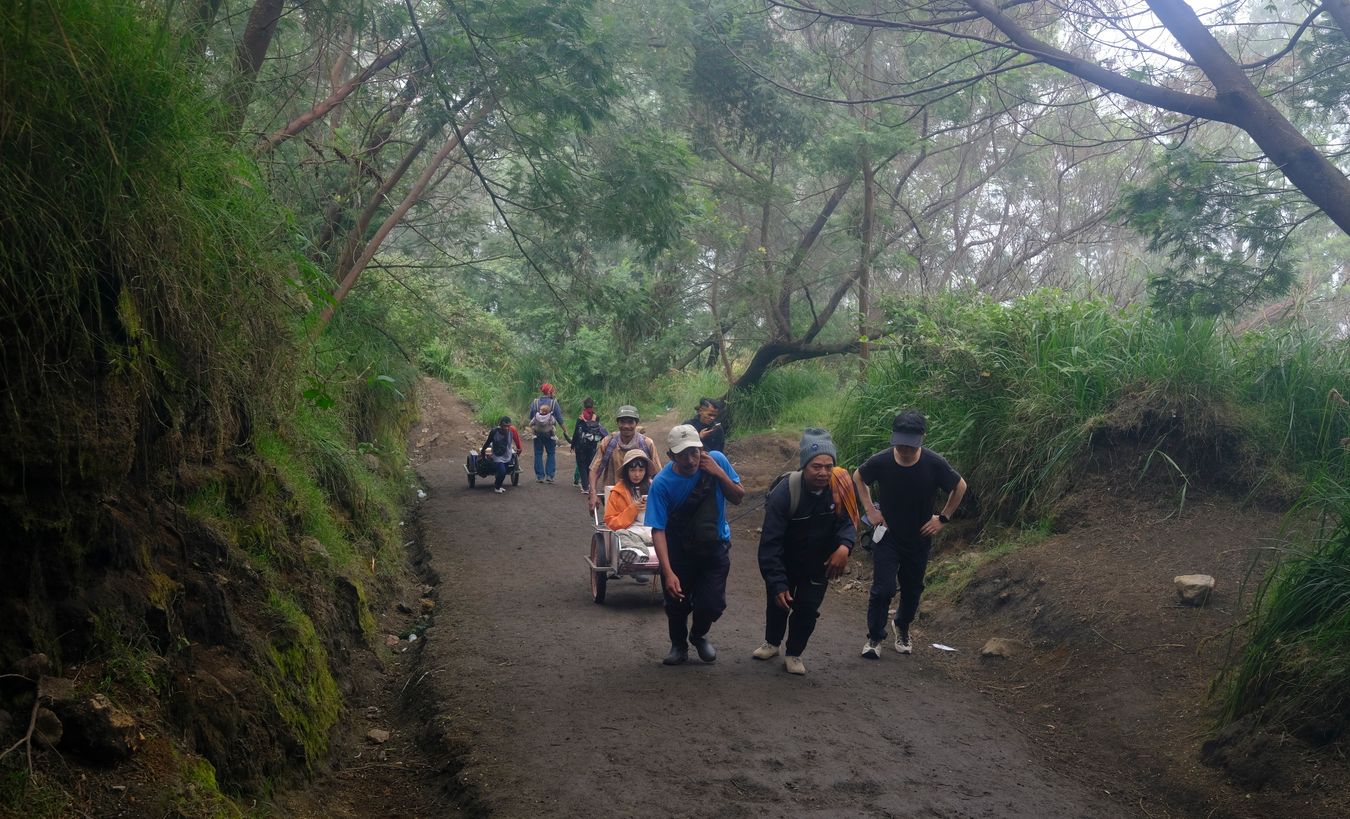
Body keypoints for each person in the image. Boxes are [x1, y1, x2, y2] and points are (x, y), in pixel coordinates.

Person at [853, 410, 967, 659]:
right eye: (901, 444)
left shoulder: (934, 463)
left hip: (918, 537)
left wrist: (943, 518)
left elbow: (959, 486)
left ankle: (902, 626)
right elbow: (859, 477)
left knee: (913, 588)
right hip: (887, 535)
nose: (904, 449)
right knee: (883, 589)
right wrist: (870, 510)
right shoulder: (881, 461)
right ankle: (874, 637)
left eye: (910, 445)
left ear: (922, 438)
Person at [754, 428, 858, 675]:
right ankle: (772, 642)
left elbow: (847, 523)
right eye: (816, 466)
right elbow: (770, 543)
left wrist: (845, 546)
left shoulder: (839, 488)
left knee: (808, 609)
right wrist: (777, 582)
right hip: (786, 560)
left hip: (819, 564)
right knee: (779, 602)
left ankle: (794, 653)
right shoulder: (784, 493)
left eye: (828, 466)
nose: (823, 472)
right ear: (804, 466)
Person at [647, 424, 745, 665]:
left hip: (715, 546)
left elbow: (738, 496)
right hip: (679, 550)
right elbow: (658, 530)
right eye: (682, 454)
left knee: (712, 604)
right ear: (671, 456)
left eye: (695, 452)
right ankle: (678, 645)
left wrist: (718, 472)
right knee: (676, 602)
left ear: (702, 447)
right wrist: (667, 571)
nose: (691, 460)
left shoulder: (717, 460)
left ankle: (698, 635)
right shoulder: (662, 483)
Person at [586, 405, 662, 511]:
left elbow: (658, 474)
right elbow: (594, 470)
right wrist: (593, 493)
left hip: (641, 500)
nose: (626, 426)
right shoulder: (608, 443)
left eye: (630, 422)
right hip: (613, 497)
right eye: (622, 422)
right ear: (618, 423)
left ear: (636, 423)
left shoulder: (646, 444)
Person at [603, 449, 655, 583]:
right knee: (620, 534)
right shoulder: (617, 492)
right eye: (633, 470)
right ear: (626, 471)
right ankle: (639, 554)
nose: (637, 474)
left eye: (641, 470)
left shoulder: (655, 487)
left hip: (654, 530)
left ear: (646, 471)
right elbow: (610, 522)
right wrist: (633, 509)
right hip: (631, 532)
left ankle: (637, 554)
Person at [527, 383, 566, 483]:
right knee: (551, 453)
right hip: (550, 433)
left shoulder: (535, 402)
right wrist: (565, 430)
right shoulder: (554, 403)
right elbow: (560, 419)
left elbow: (531, 417)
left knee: (538, 453)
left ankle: (540, 476)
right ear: (549, 391)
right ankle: (550, 475)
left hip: (537, 432)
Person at [570, 398, 607, 493]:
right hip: (592, 444)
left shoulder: (581, 417)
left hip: (581, 445)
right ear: (592, 406)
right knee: (589, 465)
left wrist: (572, 444)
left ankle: (585, 486)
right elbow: (599, 430)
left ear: (584, 406)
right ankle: (589, 485)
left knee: (581, 465)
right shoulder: (596, 417)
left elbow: (576, 432)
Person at [479, 416, 523, 494]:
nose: (506, 428)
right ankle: (497, 487)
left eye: (507, 426)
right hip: (496, 455)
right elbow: (488, 442)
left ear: (510, 426)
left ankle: (498, 485)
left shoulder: (512, 430)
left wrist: (519, 451)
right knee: (502, 471)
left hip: (507, 455)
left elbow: (517, 442)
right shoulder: (494, 432)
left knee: (504, 472)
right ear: (500, 425)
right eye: (504, 426)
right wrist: (483, 452)